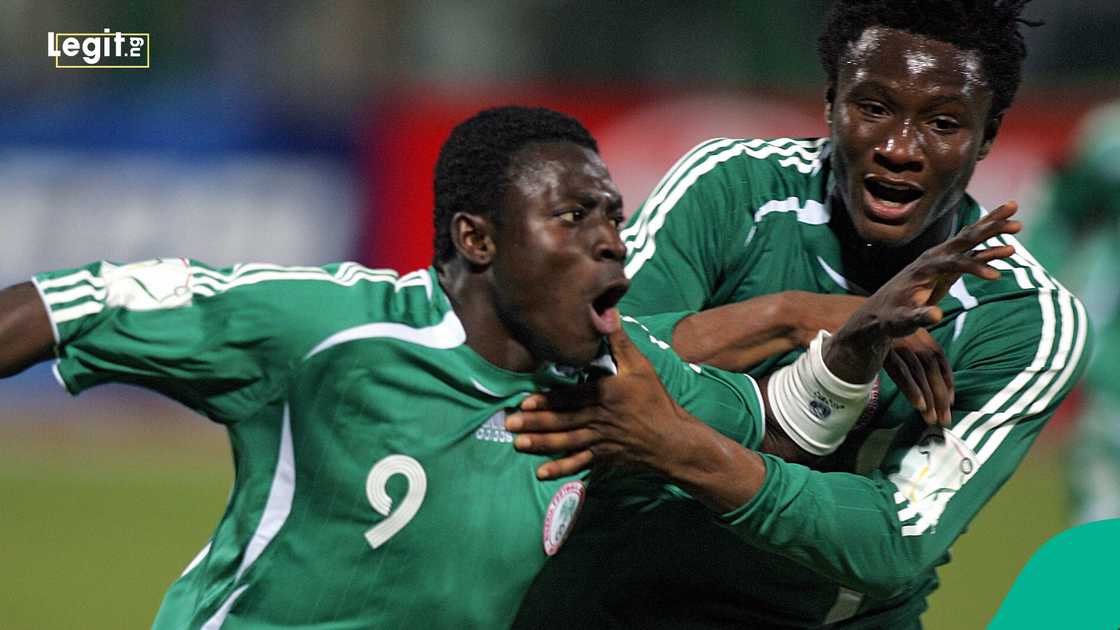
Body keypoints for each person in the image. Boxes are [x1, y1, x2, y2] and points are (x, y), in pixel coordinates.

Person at [0, 105, 1003, 627]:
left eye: (613, 214)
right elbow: (65, 304)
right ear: (477, 239)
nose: (614, 242)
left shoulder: (612, 390)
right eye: (575, 217)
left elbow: (773, 427)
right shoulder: (334, 333)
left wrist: (841, 344)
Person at [510, 1, 1090, 628]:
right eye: (872, 108)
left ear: (989, 135)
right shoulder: (732, 188)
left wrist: (677, 447)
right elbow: (584, 356)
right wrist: (794, 316)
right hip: (611, 604)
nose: (899, 148)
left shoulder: (1024, 319)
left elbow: (899, 539)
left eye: (943, 123)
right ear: (830, 103)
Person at [1029, 101, 1120, 524]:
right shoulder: (1109, 141)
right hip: (1115, 381)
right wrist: (1030, 299)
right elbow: (1055, 219)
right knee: (1102, 527)